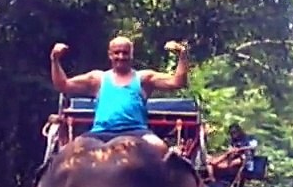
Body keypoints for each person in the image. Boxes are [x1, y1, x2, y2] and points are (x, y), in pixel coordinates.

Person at [49, 36, 190, 157]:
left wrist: (182, 56)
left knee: (161, 150)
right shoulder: (98, 79)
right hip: (100, 133)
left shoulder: (143, 78)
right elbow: (63, 85)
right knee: (68, 154)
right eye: (117, 53)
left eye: (125, 53)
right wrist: (55, 60)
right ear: (110, 54)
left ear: (131, 54)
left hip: (137, 132)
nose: (121, 57)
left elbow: (177, 82)